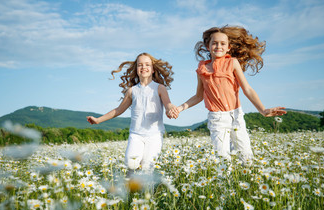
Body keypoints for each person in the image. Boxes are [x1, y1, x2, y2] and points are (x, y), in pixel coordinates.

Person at [171, 25, 286, 162]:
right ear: (208, 46)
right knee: (222, 157)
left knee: (246, 155)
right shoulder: (202, 69)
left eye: (222, 43)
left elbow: (247, 89)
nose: (218, 46)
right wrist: (179, 108)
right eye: (214, 43)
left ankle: (246, 176)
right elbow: (198, 96)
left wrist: (263, 110)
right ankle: (225, 180)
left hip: (236, 115)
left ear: (228, 48)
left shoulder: (232, 63)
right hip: (217, 118)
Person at [87, 53, 178, 172]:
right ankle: (131, 188)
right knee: (131, 164)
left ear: (153, 70)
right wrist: (98, 120)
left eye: (147, 65)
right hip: (136, 134)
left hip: (154, 135)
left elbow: (168, 104)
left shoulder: (159, 88)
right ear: (136, 70)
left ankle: (147, 190)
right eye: (140, 65)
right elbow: (118, 110)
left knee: (148, 167)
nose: (143, 67)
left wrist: (171, 108)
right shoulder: (132, 91)